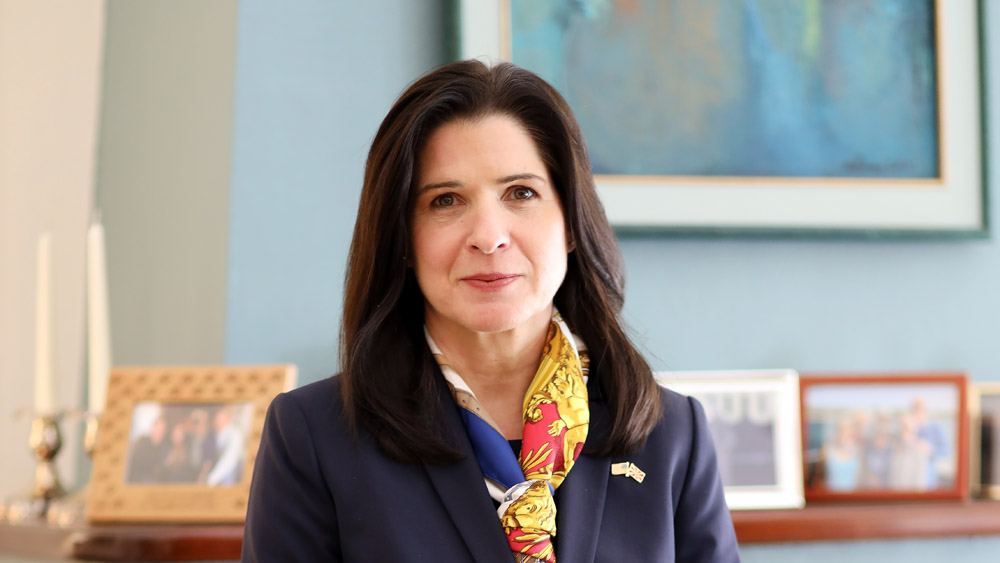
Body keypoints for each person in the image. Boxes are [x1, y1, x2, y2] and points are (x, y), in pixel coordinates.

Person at [243, 59, 739, 562]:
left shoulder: (673, 433)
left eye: (521, 193)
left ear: (571, 222)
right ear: (403, 238)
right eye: (446, 200)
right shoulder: (311, 436)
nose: (488, 236)